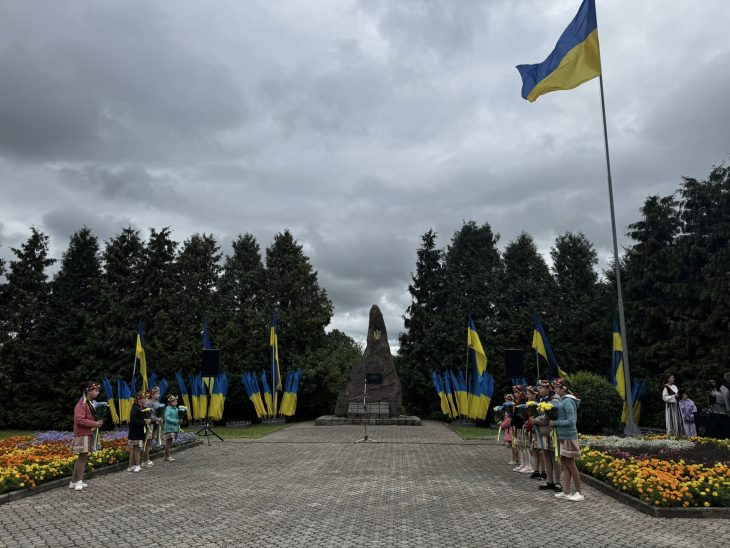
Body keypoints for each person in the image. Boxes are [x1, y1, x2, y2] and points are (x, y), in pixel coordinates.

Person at [551, 378, 583, 502]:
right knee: (564, 464)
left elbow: (571, 421)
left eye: (556, 387)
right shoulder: (563, 401)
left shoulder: (568, 401)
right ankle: (567, 491)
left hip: (569, 437)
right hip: (563, 436)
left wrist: (555, 423)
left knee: (570, 464)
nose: (555, 389)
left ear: (563, 388)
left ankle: (579, 492)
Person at [71, 381, 104, 491]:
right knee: (82, 458)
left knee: (82, 457)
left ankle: (73, 481)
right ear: (89, 391)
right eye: (96, 390)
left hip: (87, 433)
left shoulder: (90, 403)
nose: (97, 392)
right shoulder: (82, 403)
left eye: (98, 391)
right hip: (82, 434)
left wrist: (98, 421)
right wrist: (95, 423)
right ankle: (78, 481)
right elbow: (79, 420)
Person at [535, 380, 562, 493]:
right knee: (546, 456)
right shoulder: (541, 399)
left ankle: (558, 482)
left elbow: (549, 417)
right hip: (544, 432)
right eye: (539, 388)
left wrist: (535, 420)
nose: (539, 390)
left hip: (552, 433)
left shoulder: (554, 399)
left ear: (547, 388)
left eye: (541, 388)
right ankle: (550, 481)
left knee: (555, 457)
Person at [128, 391, 151, 473]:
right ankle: (137, 465)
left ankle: (132, 465)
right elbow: (133, 420)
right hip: (136, 432)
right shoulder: (135, 407)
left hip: (139, 431)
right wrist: (144, 422)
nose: (146, 399)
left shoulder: (140, 407)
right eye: (144, 398)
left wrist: (146, 420)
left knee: (136, 448)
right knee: (136, 448)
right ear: (139, 399)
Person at [142, 387, 164, 467]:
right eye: (156, 394)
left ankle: (146, 459)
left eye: (159, 393)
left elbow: (157, 414)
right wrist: (157, 419)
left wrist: (161, 418)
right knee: (147, 442)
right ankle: (145, 460)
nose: (158, 395)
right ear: (152, 394)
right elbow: (149, 415)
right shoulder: (149, 403)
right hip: (150, 424)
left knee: (149, 442)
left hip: (155, 424)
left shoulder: (157, 402)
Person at [163, 394, 181, 461]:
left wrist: (180, 418)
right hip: (169, 428)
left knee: (169, 442)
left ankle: (166, 456)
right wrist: (176, 421)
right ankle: (167, 456)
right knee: (168, 442)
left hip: (174, 428)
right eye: (174, 401)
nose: (176, 402)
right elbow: (167, 418)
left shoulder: (176, 409)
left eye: (176, 401)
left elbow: (177, 417)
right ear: (170, 403)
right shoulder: (168, 409)